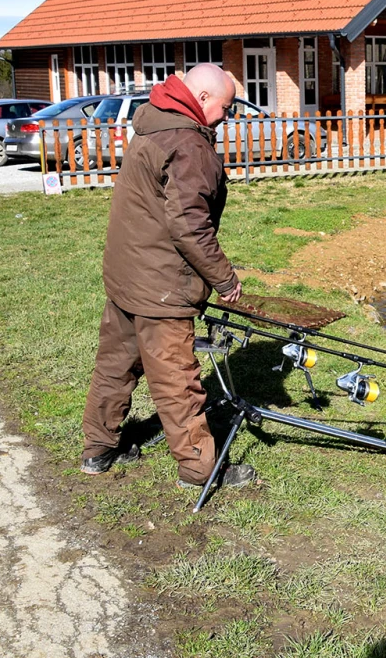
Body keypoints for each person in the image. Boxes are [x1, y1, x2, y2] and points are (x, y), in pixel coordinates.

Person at [80, 63, 255, 490]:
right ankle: (199, 469)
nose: (226, 118)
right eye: (225, 108)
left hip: (127, 274)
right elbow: (189, 225)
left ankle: (99, 448)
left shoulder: (153, 123)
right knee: (178, 380)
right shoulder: (187, 143)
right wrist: (225, 279)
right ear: (203, 99)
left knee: (115, 366)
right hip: (160, 284)